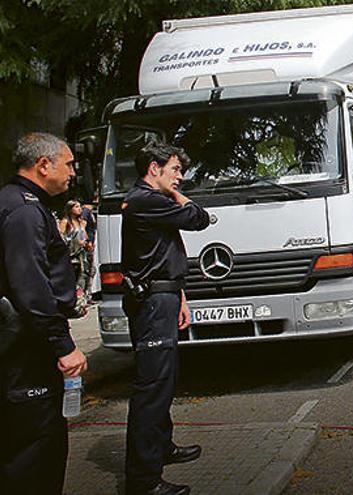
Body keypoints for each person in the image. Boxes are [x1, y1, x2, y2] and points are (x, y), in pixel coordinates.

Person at [0, 132, 88, 494]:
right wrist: (64, 345)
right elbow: (31, 287)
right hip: (24, 349)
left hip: (23, 345)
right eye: (68, 164)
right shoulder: (22, 209)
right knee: (36, 451)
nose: (73, 173)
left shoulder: (24, 204)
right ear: (43, 164)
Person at [122, 141, 211, 495]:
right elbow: (198, 219)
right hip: (153, 304)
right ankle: (144, 481)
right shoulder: (147, 200)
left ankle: (162, 446)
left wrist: (180, 297)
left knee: (165, 380)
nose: (181, 177)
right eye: (175, 169)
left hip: (165, 295)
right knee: (151, 389)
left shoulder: (152, 202)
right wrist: (177, 196)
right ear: (154, 168)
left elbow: (165, 253)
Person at [59, 200, 89, 308]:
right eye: (76, 207)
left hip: (82, 253)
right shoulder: (66, 222)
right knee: (72, 277)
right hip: (71, 255)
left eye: (80, 206)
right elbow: (61, 238)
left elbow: (85, 236)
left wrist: (86, 242)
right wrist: (74, 242)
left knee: (84, 275)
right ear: (70, 209)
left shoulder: (81, 222)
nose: (80, 209)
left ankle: (81, 298)